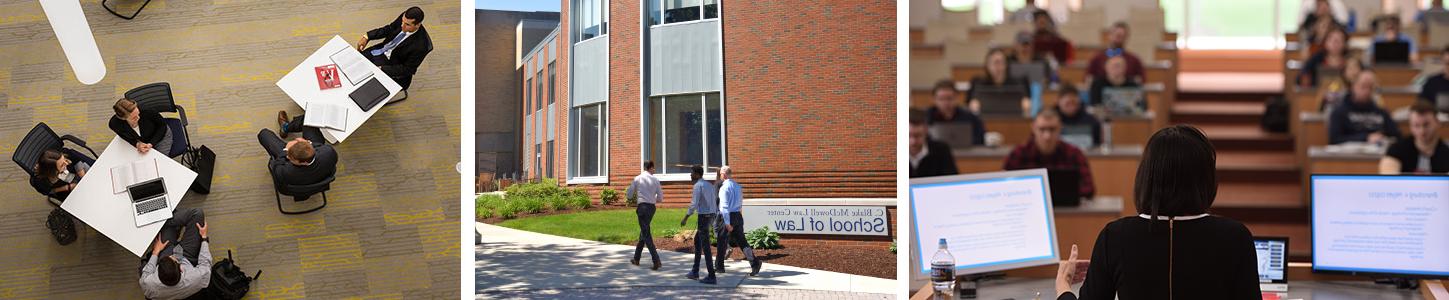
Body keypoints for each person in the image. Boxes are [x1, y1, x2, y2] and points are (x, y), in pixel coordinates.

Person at [1053, 125, 1262, 300]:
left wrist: (1063, 287)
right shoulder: (1235, 236)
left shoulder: (1115, 236)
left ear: (1146, 176)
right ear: (1206, 179)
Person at [1004, 109, 1095, 198]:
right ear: (1033, 128)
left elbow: (1089, 188)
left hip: (1066, 209)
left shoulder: (1074, 154)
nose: (1047, 136)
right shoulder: (1018, 154)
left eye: (1052, 129)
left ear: (1060, 128)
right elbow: (1004, 187)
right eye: (1042, 129)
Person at [355, 6, 433, 93]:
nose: (402, 26)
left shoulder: (421, 46)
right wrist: (367, 36)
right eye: (402, 21)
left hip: (392, 64)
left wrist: (382, 69)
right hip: (381, 50)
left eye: (407, 25)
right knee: (355, 63)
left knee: (363, 83)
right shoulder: (404, 18)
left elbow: (407, 69)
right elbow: (389, 29)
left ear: (418, 25)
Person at [139, 208, 211, 300]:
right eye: (172, 258)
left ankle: (164, 221)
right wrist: (204, 237)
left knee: (164, 227)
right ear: (181, 269)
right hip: (187, 257)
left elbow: (147, 271)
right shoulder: (198, 278)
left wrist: (156, 251)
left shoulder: (148, 284)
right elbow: (205, 262)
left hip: (167, 252)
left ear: (157, 273)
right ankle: (167, 220)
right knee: (197, 214)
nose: (172, 255)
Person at [257, 116, 339, 187]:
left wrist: (286, 150)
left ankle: (285, 128)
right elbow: (320, 146)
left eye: (290, 157)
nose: (288, 156)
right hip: (321, 178)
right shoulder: (329, 153)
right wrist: (308, 143)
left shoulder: (284, 171)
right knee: (307, 119)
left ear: (303, 162)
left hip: (296, 186)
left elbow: (277, 163)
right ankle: (287, 127)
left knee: (264, 134)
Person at [1328, 71, 1401, 145]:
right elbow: (1335, 139)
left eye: (1370, 87)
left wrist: (1382, 138)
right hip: (1350, 154)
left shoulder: (1381, 111)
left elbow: (1397, 136)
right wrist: (1365, 138)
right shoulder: (1339, 112)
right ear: (1353, 86)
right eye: (1363, 86)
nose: (1367, 91)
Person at [715, 166, 762, 276]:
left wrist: (727, 223)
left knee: (721, 241)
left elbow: (724, 206)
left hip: (727, 217)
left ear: (724, 174)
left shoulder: (724, 188)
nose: (720, 176)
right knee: (742, 241)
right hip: (737, 215)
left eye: (721, 174)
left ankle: (719, 267)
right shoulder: (737, 186)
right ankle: (755, 263)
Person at [1381, 102, 1449, 174]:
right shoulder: (1397, 149)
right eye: (1416, 125)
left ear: (1437, 123)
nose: (1422, 131)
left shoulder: (1446, 151)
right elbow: (1388, 176)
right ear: (1410, 126)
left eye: (1426, 125)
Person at [680, 165, 718, 284]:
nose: (690, 175)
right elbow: (714, 200)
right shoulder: (709, 185)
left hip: (704, 217)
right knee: (698, 241)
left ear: (697, 174)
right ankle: (695, 271)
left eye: (692, 173)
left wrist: (685, 217)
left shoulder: (698, 186)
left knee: (705, 246)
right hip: (711, 215)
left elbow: (694, 204)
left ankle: (711, 276)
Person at [966, 48, 1032, 115]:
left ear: (1006, 64)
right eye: (994, 63)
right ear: (987, 65)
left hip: (1012, 120)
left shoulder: (1019, 83)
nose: (997, 66)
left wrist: (1027, 106)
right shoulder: (977, 83)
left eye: (1000, 62)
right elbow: (969, 105)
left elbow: (1027, 104)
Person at [626, 161, 662, 270]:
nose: (654, 170)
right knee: (644, 232)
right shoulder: (656, 180)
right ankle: (636, 259)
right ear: (649, 168)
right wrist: (651, 199)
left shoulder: (638, 178)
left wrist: (636, 197)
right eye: (653, 168)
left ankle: (656, 260)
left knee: (646, 234)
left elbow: (629, 194)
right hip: (652, 208)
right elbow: (660, 198)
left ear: (644, 167)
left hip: (642, 208)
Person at [927, 79, 986, 145]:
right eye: (941, 99)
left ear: (956, 98)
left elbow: (981, 138)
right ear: (934, 100)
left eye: (949, 98)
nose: (946, 103)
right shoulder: (926, 117)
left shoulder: (970, 117)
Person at [109, 98, 175, 156]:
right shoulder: (114, 124)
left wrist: (151, 143)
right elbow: (122, 135)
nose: (138, 117)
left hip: (159, 135)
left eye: (138, 113)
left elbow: (162, 126)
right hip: (142, 140)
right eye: (134, 117)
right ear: (123, 118)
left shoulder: (148, 111)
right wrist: (136, 144)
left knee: (159, 160)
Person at [909, 109, 960, 178]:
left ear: (926, 131)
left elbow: (952, 180)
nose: (913, 142)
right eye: (908, 135)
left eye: (918, 135)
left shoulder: (941, 150)